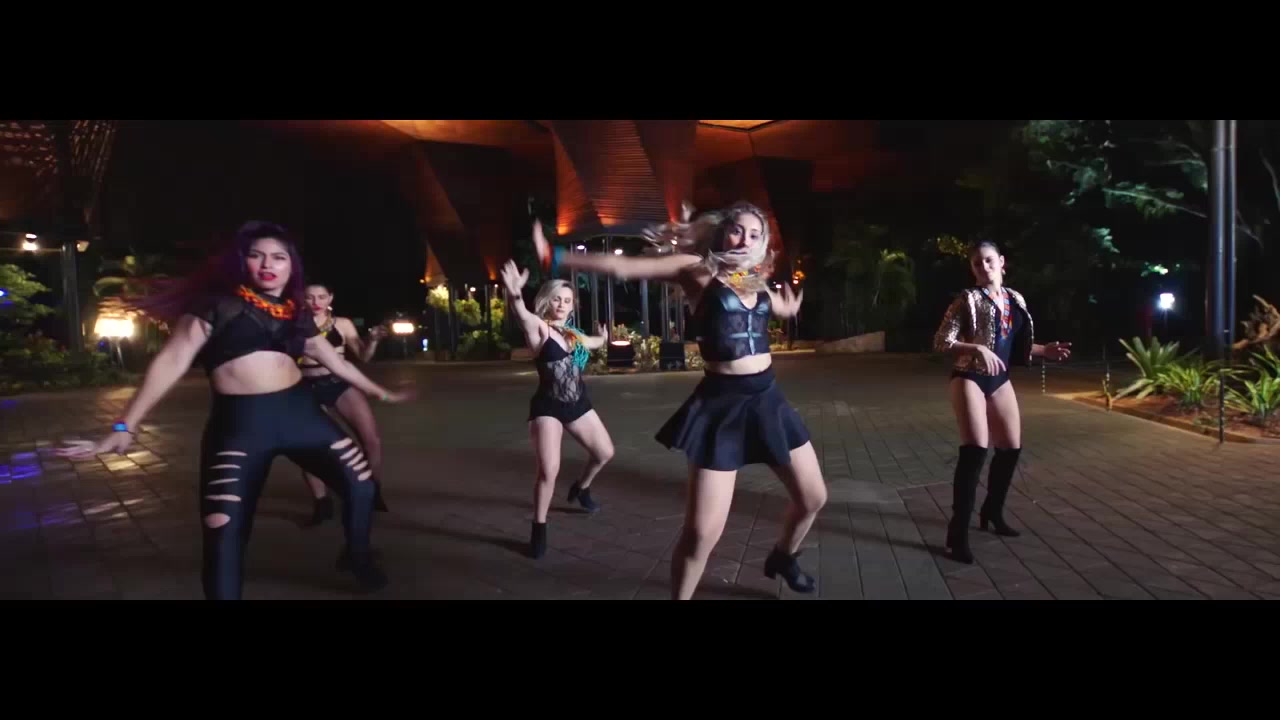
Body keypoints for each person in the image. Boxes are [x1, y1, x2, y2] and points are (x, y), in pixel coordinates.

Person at [57, 221, 410, 599]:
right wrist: (125, 426)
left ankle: (356, 556)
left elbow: (336, 362)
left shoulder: (295, 311)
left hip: (302, 417)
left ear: (292, 266)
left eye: (279, 257)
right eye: (257, 256)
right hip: (240, 430)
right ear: (243, 262)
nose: (267, 264)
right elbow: (172, 361)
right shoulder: (216, 305)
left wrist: (380, 391)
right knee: (223, 530)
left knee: (362, 486)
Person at [534, 202, 827, 599]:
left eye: (755, 234)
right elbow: (625, 267)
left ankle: (783, 557)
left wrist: (785, 307)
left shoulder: (752, 279)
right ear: (722, 232)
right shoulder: (697, 270)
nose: (745, 240)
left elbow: (769, 305)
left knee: (813, 498)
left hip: (767, 399)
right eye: (737, 230)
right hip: (722, 406)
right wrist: (557, 257)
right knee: (701, 535)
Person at [933, 240, 1072, 564]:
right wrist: (976, 348)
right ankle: (957, 536)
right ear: (972, 269)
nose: (984, 267)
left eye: (989, 260)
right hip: (969, 376)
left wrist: (1044, 351)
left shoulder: (1014, 299)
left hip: (1000, 379)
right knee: (975, 451)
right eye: (977, 263)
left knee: (1010, 448)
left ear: (1002, 262)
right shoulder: (967, 299)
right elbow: (941, 341)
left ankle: (992, 512)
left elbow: (1012, 344)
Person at [500, 261, 614, 558]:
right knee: (549, 471)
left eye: (567, 300)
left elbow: (593, 343)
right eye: (556, 299)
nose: (562, 304)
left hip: (578, 404)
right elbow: (522, 314)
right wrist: (515, 295)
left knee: (605, 453)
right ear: (546, 302)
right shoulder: (540, 329)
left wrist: (603, 337)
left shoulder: (573, 334)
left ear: (572, 305)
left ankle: (581, 488)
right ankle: (539, 527)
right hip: (548, 407)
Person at [296, 282, 391, 527]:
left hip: (339, 383)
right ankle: (321, 502)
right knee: (311, 448)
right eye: (309, 297)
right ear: (302, 299)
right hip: (305, 385)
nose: (316, 302)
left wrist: (372, 341)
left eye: (321, 296)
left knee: (372, 440)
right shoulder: (293, 323)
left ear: (330, 298)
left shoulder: (343, 323)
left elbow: (363, 356)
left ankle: (372, 491)